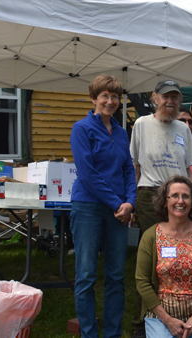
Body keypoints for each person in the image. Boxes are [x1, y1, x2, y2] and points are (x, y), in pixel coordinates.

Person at [69, 75, 137, 338]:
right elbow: (87, 173)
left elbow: (128, 170)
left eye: (115, 96)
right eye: (105, 96)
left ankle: (112, 333)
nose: (110, 101)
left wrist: (130, 202)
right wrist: (118, 203)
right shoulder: (82, 129)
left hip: (119, 211)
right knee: (86, 275)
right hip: (88, 206)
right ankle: (89, 333)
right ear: (94, 98)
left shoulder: (121, 132)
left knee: (116, 276)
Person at [130, 79, 192, 338]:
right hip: (149, 195)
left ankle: (180, 313)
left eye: (175, 97)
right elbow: (134, 166)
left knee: (180, 256)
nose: (170, 101)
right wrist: (132, 200)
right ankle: (142, 323)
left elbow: (190, 169)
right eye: (166, 97)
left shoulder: (183, 128)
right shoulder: (142, 124)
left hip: (179, 198)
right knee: (151, 259)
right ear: (155, 98)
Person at [135, 175, 192, 338]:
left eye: (186, 196)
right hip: (160, 318)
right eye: (175, 196)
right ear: (165, 201)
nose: (180, 201)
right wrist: (168, 320)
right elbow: (142, 282)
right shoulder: (151, 236)